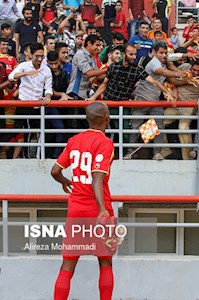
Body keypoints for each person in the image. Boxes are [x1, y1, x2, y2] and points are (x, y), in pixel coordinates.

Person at [51, 102, 116, 300]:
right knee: (105, 262)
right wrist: (102, 209)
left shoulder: (74, 140)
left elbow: (55, 171)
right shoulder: (105, 143)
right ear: (106, 117)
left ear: (88, 119)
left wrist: (65, 181)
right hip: (99, 209)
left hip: (76, 210)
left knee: (68, 264)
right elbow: (97, 178)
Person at [126, 42, 183, 160]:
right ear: (155, 53)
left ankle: (157, 153)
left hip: (155, 101)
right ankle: (130, 153)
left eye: (165, 53)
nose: (163, 55)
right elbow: (162, 72)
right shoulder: (153, 63)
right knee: (135, 127)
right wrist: (179, 73)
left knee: (159, 126)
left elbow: (176, 58)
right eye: (161, 53)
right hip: (141, 99)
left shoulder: (165, 61)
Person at [8, 43, 53, 158]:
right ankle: (25, 158)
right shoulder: (24, 65)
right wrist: (25, 73)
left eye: (41, 56)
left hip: (38, 106)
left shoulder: (46, 69)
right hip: (24, 105)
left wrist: (47, 96)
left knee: (39, 134)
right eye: (37, 56)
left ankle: (38, 158)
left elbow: (48, 88)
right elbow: (11, 76)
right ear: (31, 55)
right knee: (23, 135)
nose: (39, 59)